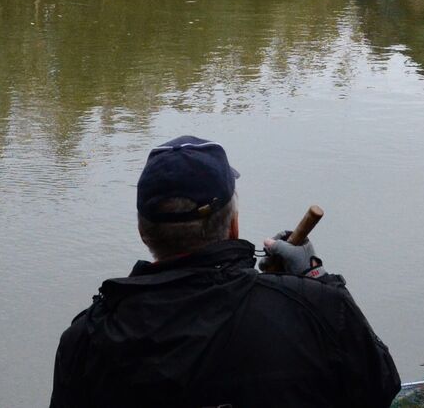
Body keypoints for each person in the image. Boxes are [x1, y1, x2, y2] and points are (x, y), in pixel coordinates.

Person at [50, 135, 400, 408]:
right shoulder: (319, 310)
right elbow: (383, 389)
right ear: (234, 226)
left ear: (144, 231)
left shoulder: (85, 340)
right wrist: (313, 280)